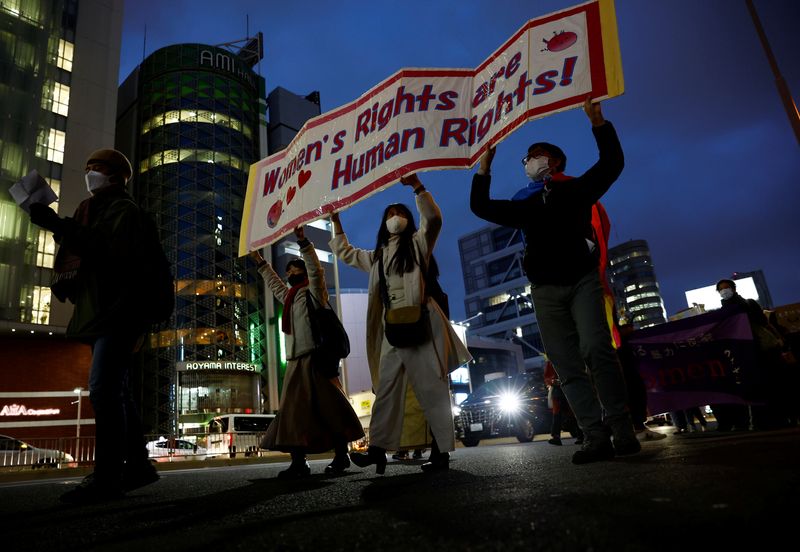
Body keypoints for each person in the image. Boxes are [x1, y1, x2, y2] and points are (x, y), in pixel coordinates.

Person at [470, 97, 640, 464]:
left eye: (538, 154)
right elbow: (481, 207)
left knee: (597, 348)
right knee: (565, 364)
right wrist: (484, 166)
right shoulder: (524, 204)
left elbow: (612, 164)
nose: (531, 160)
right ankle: (594, 436)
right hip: (545, 290)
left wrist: (598, 123)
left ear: (556, 161)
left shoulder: (575, 190)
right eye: (526, 157)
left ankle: (622, 428)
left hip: (581, 280)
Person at [28, 149, 159, 502]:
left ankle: (108, 476)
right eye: (87, 168)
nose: (90, 173)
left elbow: (105, 248)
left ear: (117, 175)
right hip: (100, 312)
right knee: (118, 390)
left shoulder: (123, 210)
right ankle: (138, 466)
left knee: (103, 389)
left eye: (96, 168)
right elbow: (86, 245)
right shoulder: (92, 212)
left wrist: (57, 224)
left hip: (119, 311)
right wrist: (59, 226)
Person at [329, 173, 471, 473]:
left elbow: (433, 220)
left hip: (422, 325)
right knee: (386, 390)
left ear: (409, 219)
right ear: (384, 223)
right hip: (392, 330)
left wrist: (418, 187)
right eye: (391, 215)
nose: (396, 218)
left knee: (432, 389)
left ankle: (441, 453)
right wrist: (337, 222)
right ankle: (378, 450)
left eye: (401, 214)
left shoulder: (419, 245)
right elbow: (346, 253)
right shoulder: (377, 257)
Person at [251, 226, 364, 478]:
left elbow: (316, 271)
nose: (290, 273)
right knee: (294, 413)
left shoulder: (314, 293)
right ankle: (299, 461)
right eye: (288, 270)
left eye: (295, 269)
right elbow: (274, 284)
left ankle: (341, 455)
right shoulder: (289, 296)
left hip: (316, 359)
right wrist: (260, 263)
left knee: (330, 408)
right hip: (294, 362)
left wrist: (304, 243)